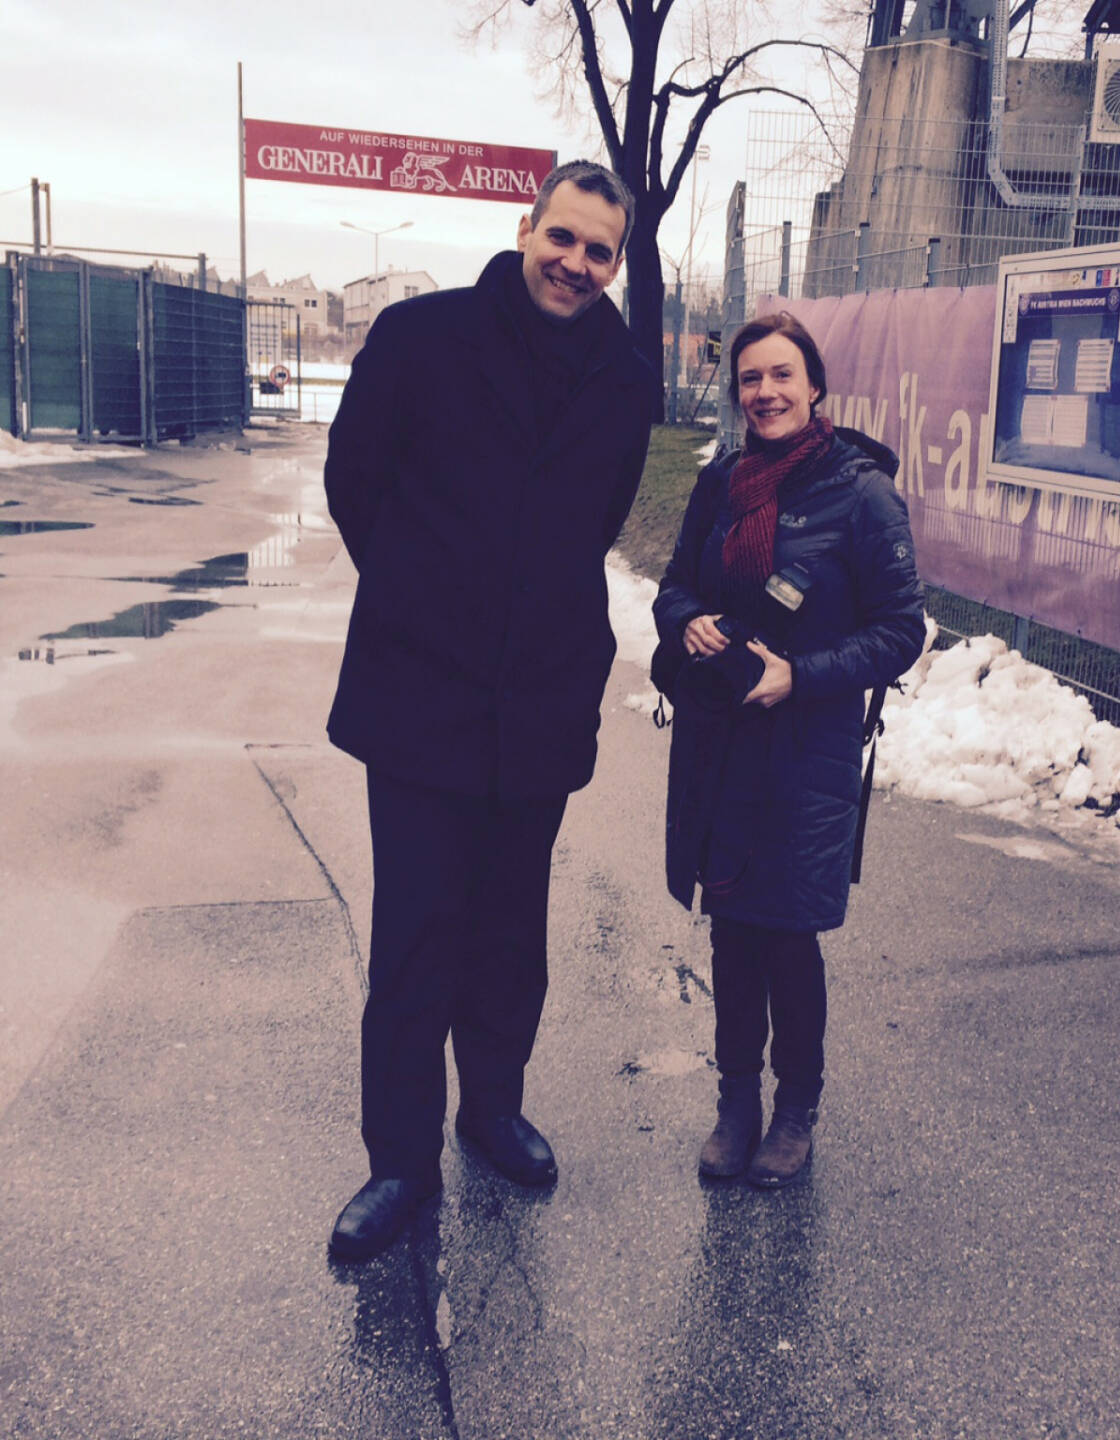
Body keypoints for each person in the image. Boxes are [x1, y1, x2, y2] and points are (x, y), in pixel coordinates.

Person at [324, 160, 653, 1261]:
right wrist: (427, 591)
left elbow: (600, 516)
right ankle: (399, 1164)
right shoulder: (421, 337)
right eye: (561, 238)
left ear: (616, 263)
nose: (574, 263)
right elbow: (354, 479)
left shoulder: (624, 374)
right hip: (421, 691)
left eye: (597, 251)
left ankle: (493, 1110)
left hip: (543, 698)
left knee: (512, 932)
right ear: (526, 229)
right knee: (416, 934)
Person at [652, 311, 926, 1188]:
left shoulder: (863, 492)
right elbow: (674, 585)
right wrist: (688, 621)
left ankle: (796, 1109)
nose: (764, 392)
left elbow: (899, 633)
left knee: (788, 939)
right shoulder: (722, 480)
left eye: (781, 376)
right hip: (719, 743)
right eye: (750, 379)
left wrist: (798, 677)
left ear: (815, 389)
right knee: (732, 931)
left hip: (806, 749)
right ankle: (737, 1104)